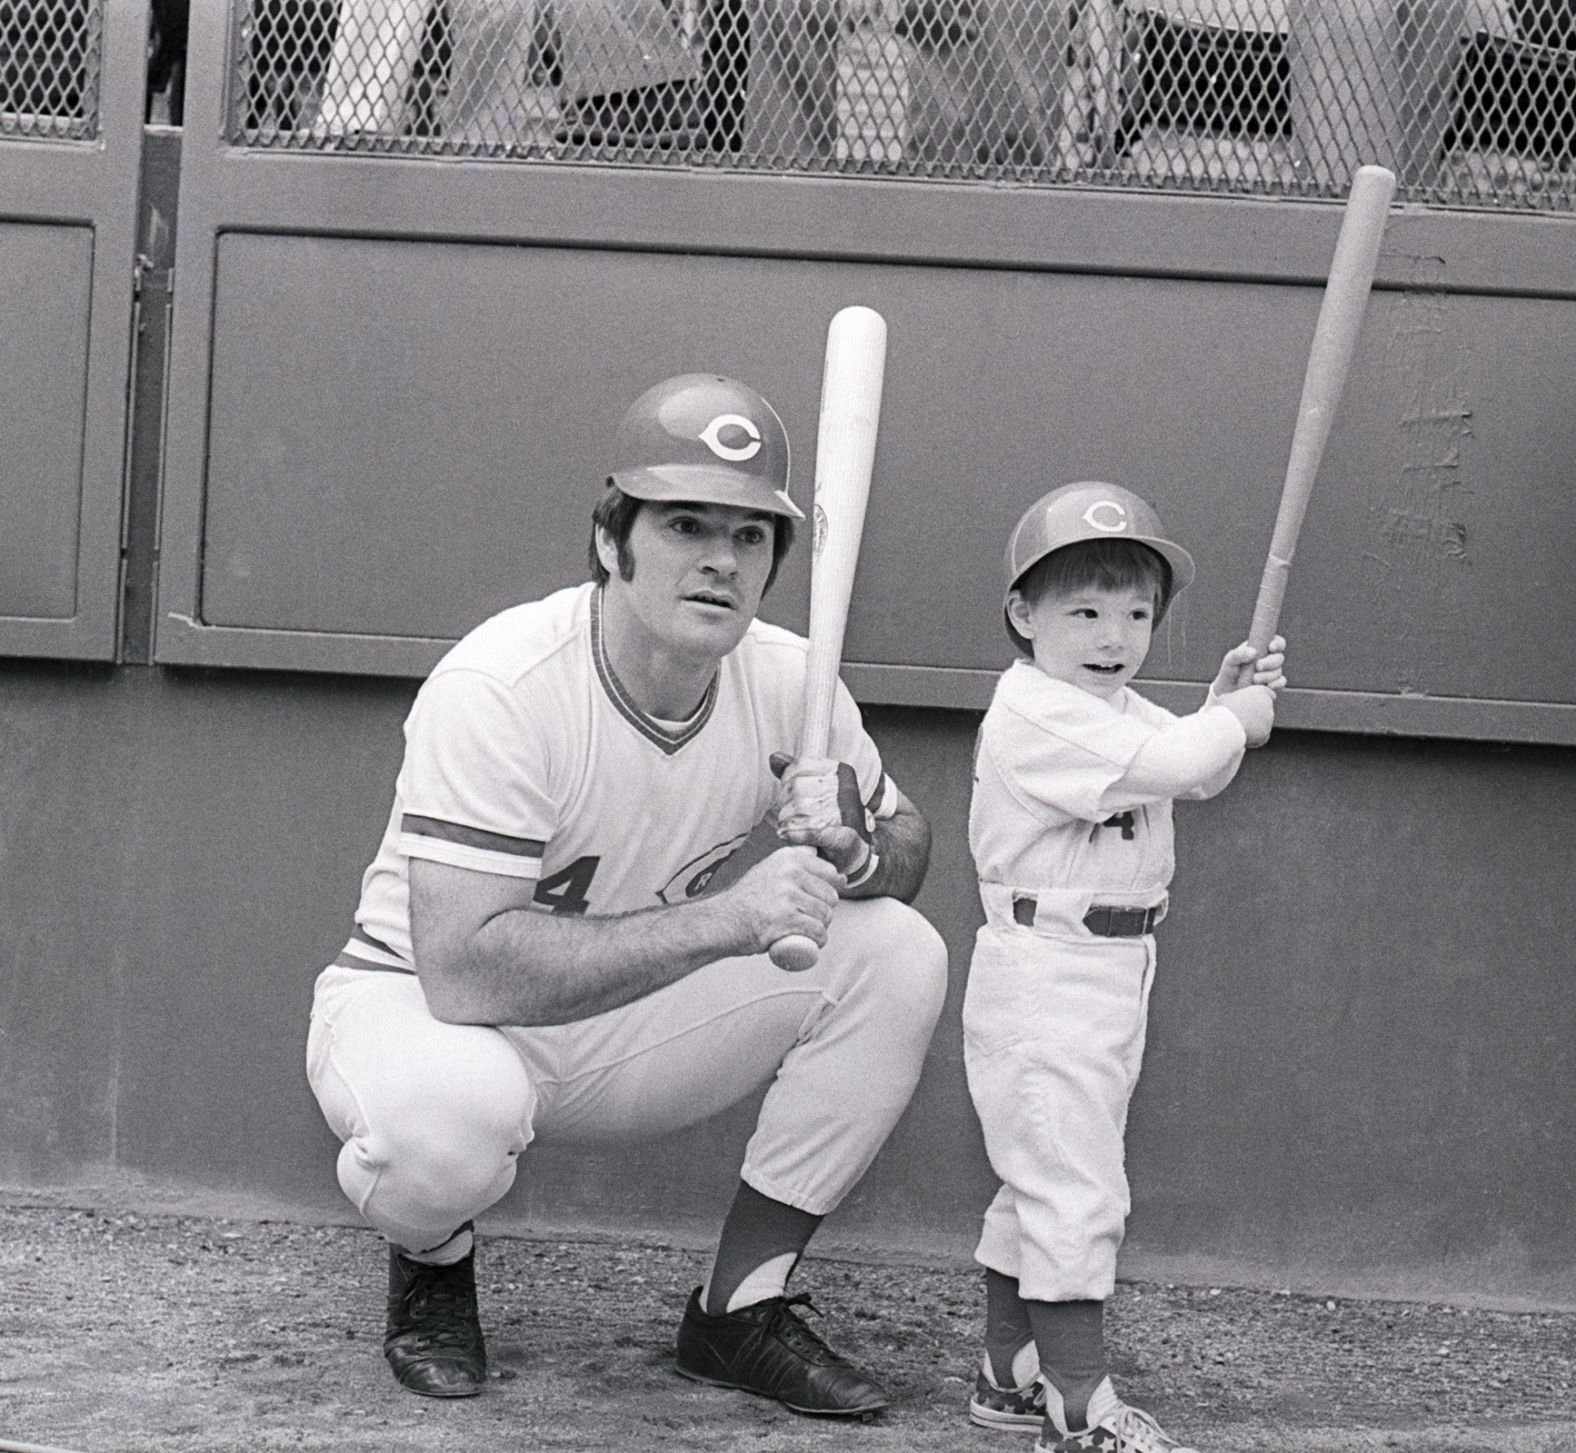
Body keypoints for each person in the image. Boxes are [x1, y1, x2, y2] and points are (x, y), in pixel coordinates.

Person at [305, 371, 948, 1416]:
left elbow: (909, 845)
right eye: (686, 523)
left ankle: (739, 1307)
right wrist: (733, 916)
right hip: (420, 1009)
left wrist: (856, 846)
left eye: (749, 536)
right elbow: (463, 970)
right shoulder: (504, 686)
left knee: (898, 949)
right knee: (444, 1125)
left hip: (620, 1018)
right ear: (612, 540)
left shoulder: (791, 680)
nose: (719, 559)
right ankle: (432, 1256)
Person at [961, 481, 1287, 1452]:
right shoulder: (1037, 708)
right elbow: (1190, 762)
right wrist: (1237, 719)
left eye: (1137, 611)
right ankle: (1078, 1405)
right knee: (1072, 1181)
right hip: (1046, 967)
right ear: (1023, 614)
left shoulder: (1107, 704)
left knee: (1042, 1172)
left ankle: (1007, 1372)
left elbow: (1192, 763)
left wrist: (1223, 703)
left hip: (1102, 964)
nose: (1115, 632)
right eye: (1085, 609)